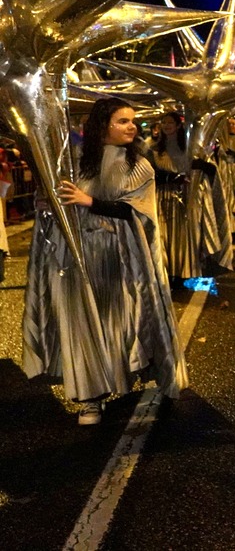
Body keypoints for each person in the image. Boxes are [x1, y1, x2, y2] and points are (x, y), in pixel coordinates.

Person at [23, 98, 188, 425]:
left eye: (133, 121)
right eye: (123, 121)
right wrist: (47, 203)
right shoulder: (74, 163)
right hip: (74, 257)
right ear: (101, 126)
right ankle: (90, 398)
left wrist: (91, 201)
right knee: (80, 326)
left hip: (117, 258)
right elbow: (57, 200)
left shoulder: (139, 164)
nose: (132, 127)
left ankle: (132, 371)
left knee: (116, 325)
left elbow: (138, 211)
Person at [151, 113, 193, 285]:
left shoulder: (187, 149)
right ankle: (165, 271)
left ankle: (179, 271)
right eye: (164, 122)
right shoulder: (153, 149)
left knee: (179, 234)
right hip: (161, 195)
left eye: (170, 122)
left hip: (181, 196)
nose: (167, 125)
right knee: (162, 233)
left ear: (177, 125)